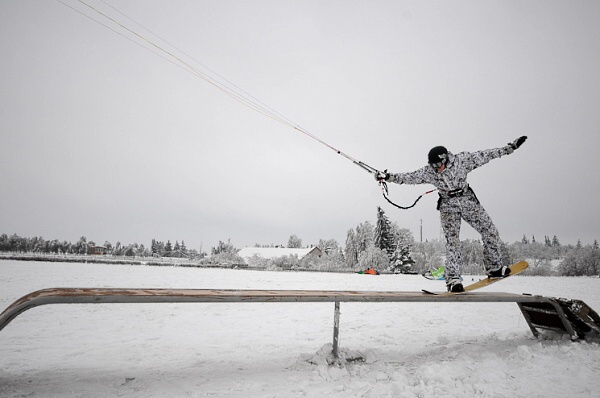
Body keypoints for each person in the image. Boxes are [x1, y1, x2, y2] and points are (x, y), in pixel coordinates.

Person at [375, 136, 527, 292]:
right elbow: (409, 177)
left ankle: (494, 267)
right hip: (448, 205)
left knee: (490, 231)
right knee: (452, 242)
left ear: (446, 159)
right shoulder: (430, 172)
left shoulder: (462, 161)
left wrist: (508, 149)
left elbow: (485, 155)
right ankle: (453, 280)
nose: (437, 168)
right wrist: (388, 177)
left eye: (439, 164)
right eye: (433, 166)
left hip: (467, 200)